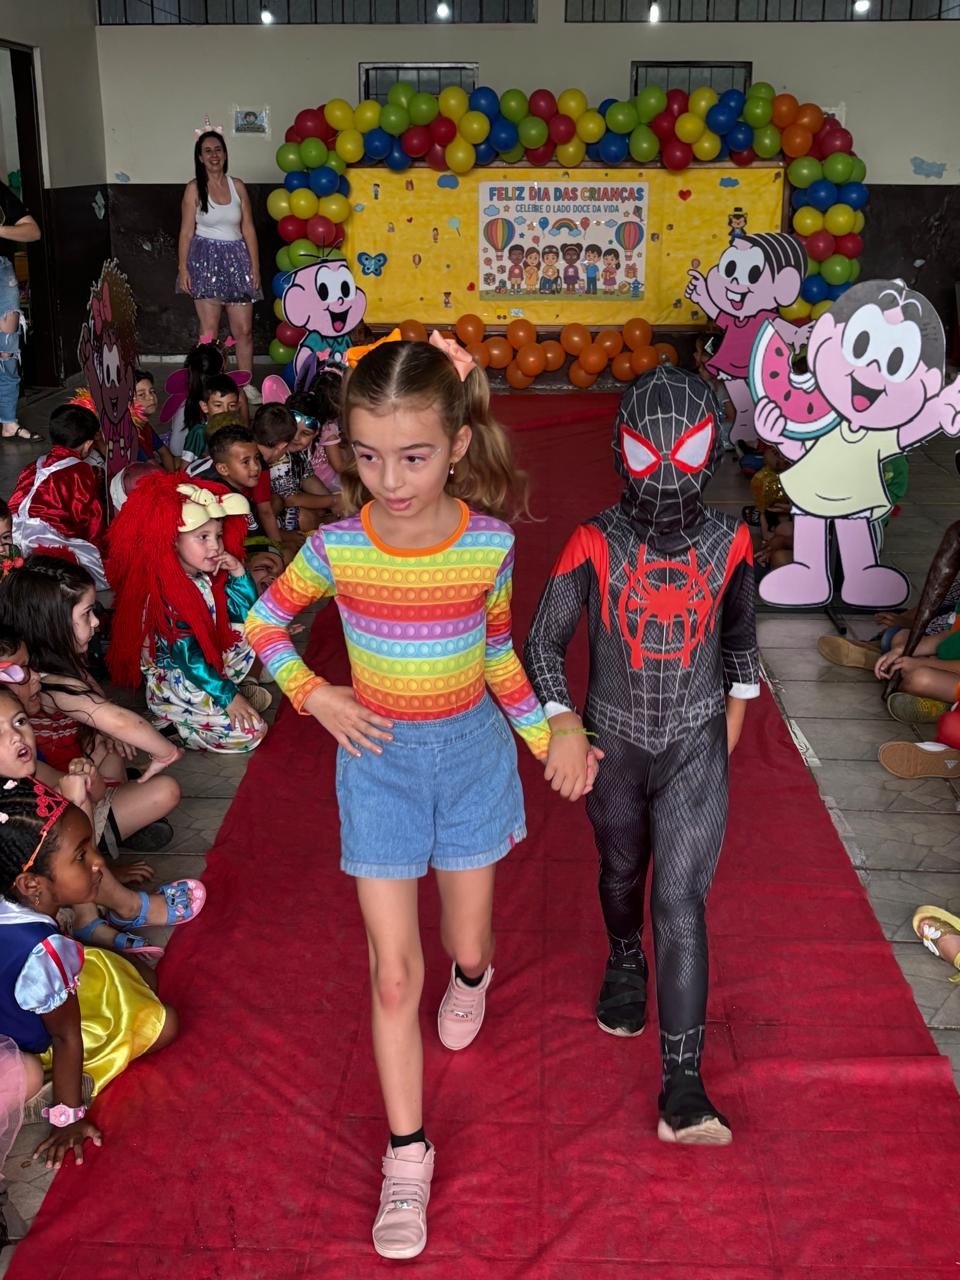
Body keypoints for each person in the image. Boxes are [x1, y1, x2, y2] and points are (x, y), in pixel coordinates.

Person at [246, 334, 572, 1262]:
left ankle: (474, 977)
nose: (389, 480)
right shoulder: (337, 547)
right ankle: (407, 1152)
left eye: (414, 456)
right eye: (368, 456)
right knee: (393, 975)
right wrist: (316, 695)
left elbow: (498, 654)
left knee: (467, 943)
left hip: (470, 759)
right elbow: (264, 622)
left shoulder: (491, 545)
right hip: (378, 763)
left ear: (459, 445)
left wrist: (552, 738)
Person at [524, 365, 760, 1146]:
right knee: (622, 871)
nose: (663, 472)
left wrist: (721, 739)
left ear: (711, 451)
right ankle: (625, 957)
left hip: (696, 739)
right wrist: (563, 721)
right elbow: (542, 642)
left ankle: (684, 1088)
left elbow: (739, 646)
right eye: (646, 451)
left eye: (682, 453)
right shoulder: (593, 540)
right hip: (613, 743)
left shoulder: (732, 541)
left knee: (681, 902)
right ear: (621, 450)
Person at [0, 777, 181, 1174]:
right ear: (32, 885)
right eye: (82, 856)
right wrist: (68, 1117)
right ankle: (57, 1092)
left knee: (136, 978)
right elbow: (66, 1036)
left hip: (18, 1011)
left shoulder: (13, 904)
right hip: (42, 1033)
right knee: (164, 1023)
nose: (99, 863)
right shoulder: (44, 952)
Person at [0, 554, 183, 852]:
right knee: (166, 790)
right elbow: (121, 720)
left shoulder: (61, 666)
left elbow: (102, 706)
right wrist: (165, 752)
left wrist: (106, 732)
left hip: (80, 774)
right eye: (87, 614)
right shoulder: (48, 682)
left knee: (110, 745)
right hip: (66, 799)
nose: (97, 622)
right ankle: (104, 837)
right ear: (53, 624)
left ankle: (120, 815)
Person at [107, 473, 269, 752]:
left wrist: (239, 573)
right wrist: (229, 698)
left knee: (261, 631)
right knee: (253, 732)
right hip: (179, 681)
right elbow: (188, 657)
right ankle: (174, 727)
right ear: (172, 541)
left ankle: (225, 695)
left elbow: (244, 616)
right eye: (202, 537)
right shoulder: (167, 593)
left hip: (204, 667)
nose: (215, 545)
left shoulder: (200, 575)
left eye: (218, 536)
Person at [177, 130, 261, 374]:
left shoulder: (238, 186)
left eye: (218, 150)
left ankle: (245, 384)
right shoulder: (194, 189)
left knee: (244, 330)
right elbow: (186, 232)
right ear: (200, 157)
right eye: (208, 151)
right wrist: (183, 268)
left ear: (225, 154)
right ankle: (210, 383)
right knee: (209, 332)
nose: (214, 155)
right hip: (205, 261)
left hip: (238, 261)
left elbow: (248, 229)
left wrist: (255, 267)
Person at [7, 403, 108, 590]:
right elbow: (92, 520)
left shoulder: (33, 466)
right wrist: (103, 554)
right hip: (45, 540)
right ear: (88, 444)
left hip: (9, 537)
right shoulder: (81, 472)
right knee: (102, 571)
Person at [0, 177, 41, 441]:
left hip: (1, 273)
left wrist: (0, 230)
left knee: (7, 350)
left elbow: (33, 231)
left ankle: (8, 421)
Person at [187, 420, 265, 535]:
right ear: (223, 469)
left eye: (257, 458)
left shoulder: (230, 488)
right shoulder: (230, 503)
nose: (256, 467)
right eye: (246, 462)